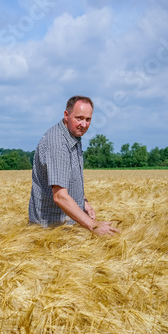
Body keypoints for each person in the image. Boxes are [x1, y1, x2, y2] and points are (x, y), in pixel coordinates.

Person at [28, 96, 120, 236]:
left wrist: (83, 201)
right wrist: (94, 227)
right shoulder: (58, 144)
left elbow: (69, 177)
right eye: (79, 118)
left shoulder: (72, 135)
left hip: (67, 225)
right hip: (50, 230)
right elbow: (60, 196)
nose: (83, 124)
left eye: (88, 119)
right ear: (66, 115)